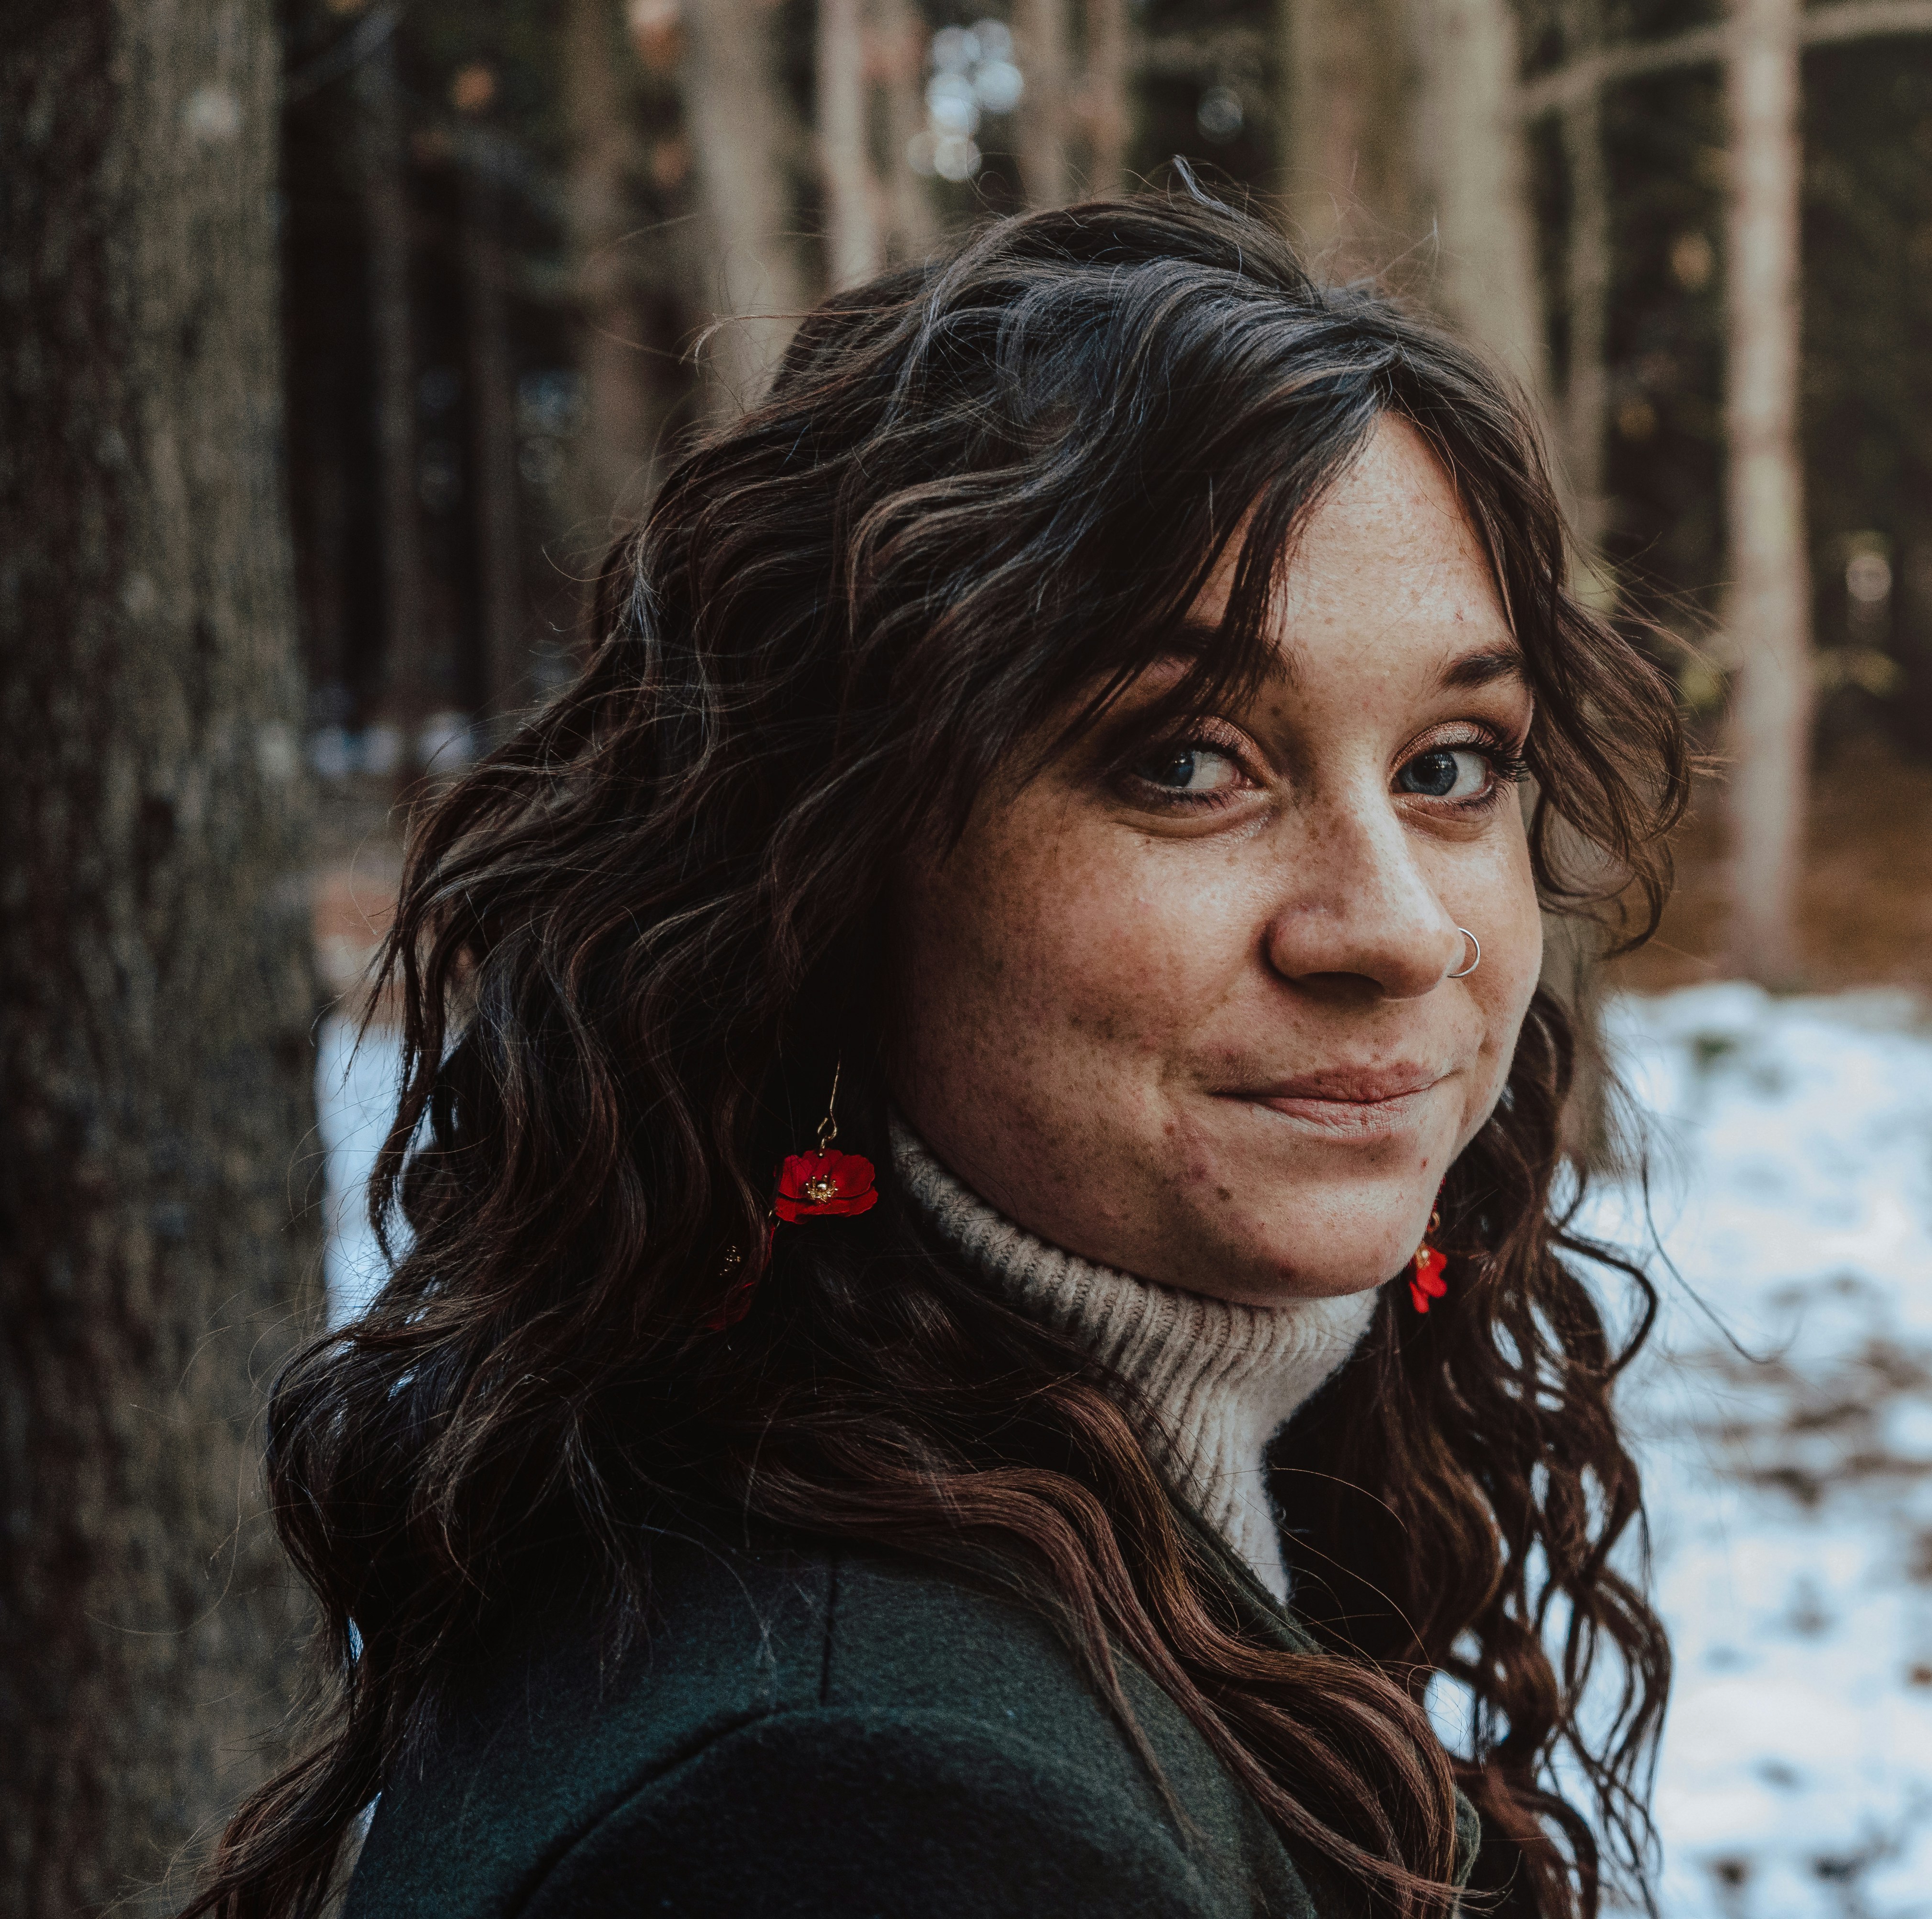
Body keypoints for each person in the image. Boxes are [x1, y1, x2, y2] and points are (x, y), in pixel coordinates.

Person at [186, 188, 1688, 1919]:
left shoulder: (921, 1493)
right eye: (1186, 762)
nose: (1398, 927)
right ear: (833, 872)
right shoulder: (857, 1811)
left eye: (1451, 765)